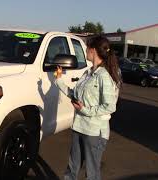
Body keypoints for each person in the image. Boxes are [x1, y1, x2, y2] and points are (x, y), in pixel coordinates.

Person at [55, 36, 121, 180]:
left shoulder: (104, 76)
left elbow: (110, 106)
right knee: (72, 168)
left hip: (94, 132)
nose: (85, 50)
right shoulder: (88, 72)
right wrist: (59, 80)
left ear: (93, 50)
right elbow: (76, 95)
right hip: (79, 127)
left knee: (91, 173)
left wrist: (85, 110)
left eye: (87, 47)